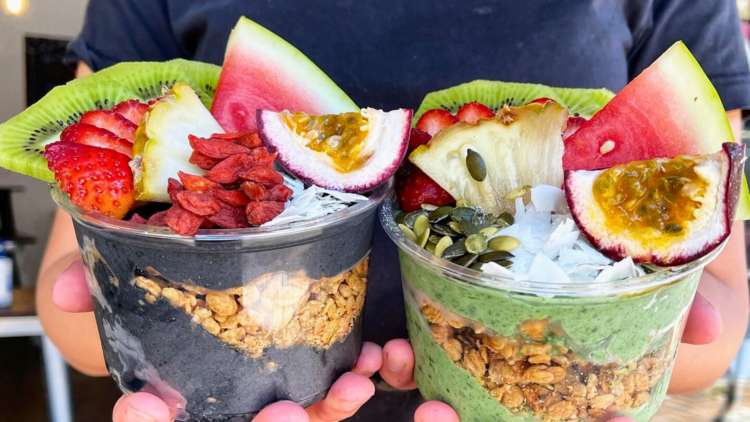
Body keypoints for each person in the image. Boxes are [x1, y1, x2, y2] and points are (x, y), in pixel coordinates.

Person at [37, 1, 750, 421]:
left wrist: (652, 336)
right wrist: (126, 319)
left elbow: (712, 313)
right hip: (228, 393)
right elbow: (79, 271)